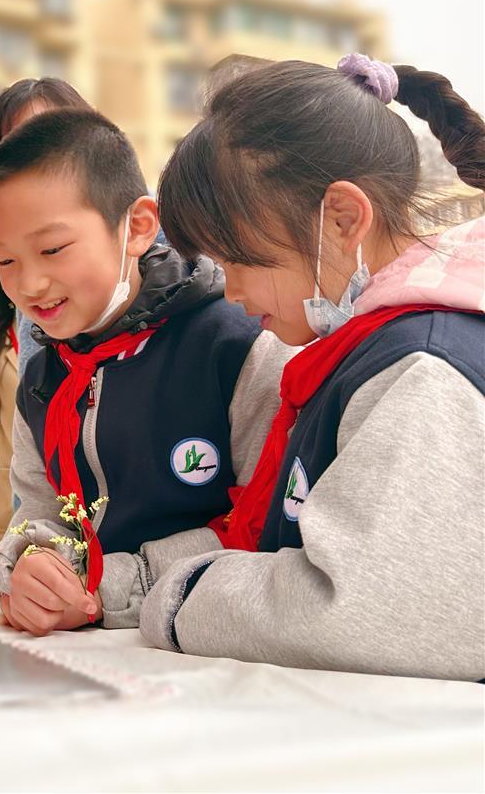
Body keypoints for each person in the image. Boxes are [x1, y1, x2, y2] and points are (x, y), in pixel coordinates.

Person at [134, 56, 485, 680]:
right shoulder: (364, 355)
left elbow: (372, 610)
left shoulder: (423, 372)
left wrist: (185, 599)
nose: (232, 293)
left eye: (240, 260)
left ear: (344, 218)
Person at [0, 107, 290, 636]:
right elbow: (41, 513)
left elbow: (267, 528)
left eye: (52, 249)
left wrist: (110, 586)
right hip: (91, 671)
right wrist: (28, 569)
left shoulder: (239, 347)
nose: (29, 284)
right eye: (6, 261)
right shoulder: (41, 380)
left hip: (211, 661)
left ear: (139, 227)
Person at [0, 79, 93, 540]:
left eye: (48, 143)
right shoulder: (4, 309)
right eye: (10, 150)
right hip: (29, 536)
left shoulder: (143, 273)